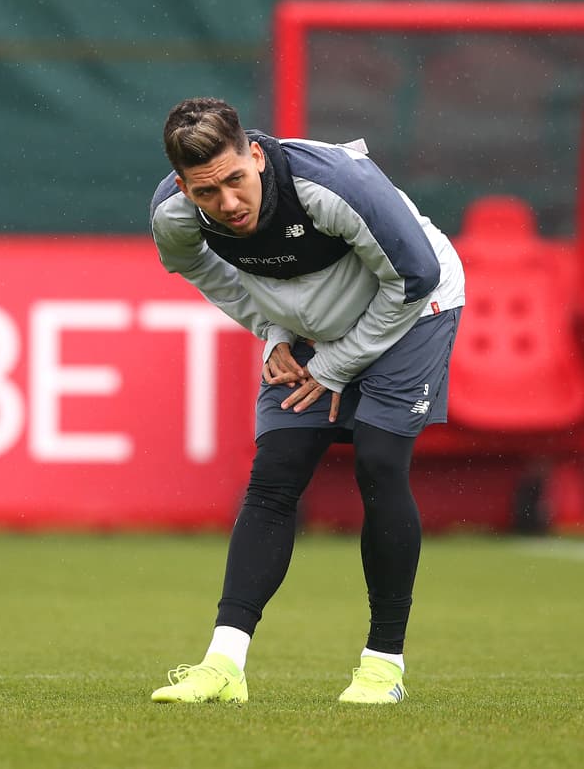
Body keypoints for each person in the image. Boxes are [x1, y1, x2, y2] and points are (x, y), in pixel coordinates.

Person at [147, 97, 465, 704]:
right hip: (311, 322)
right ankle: (223, 666)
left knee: (377, 460)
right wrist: (273, 333)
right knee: (274, 475)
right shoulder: (174, 216)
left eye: (236, 180)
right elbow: (207, 274)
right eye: (206, 193)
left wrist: (337, 366)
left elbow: (415, 276)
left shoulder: (333, 187)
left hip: (412, 309)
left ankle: (382, 668)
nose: (228, 204)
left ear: (257, 156)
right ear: (185, 189)